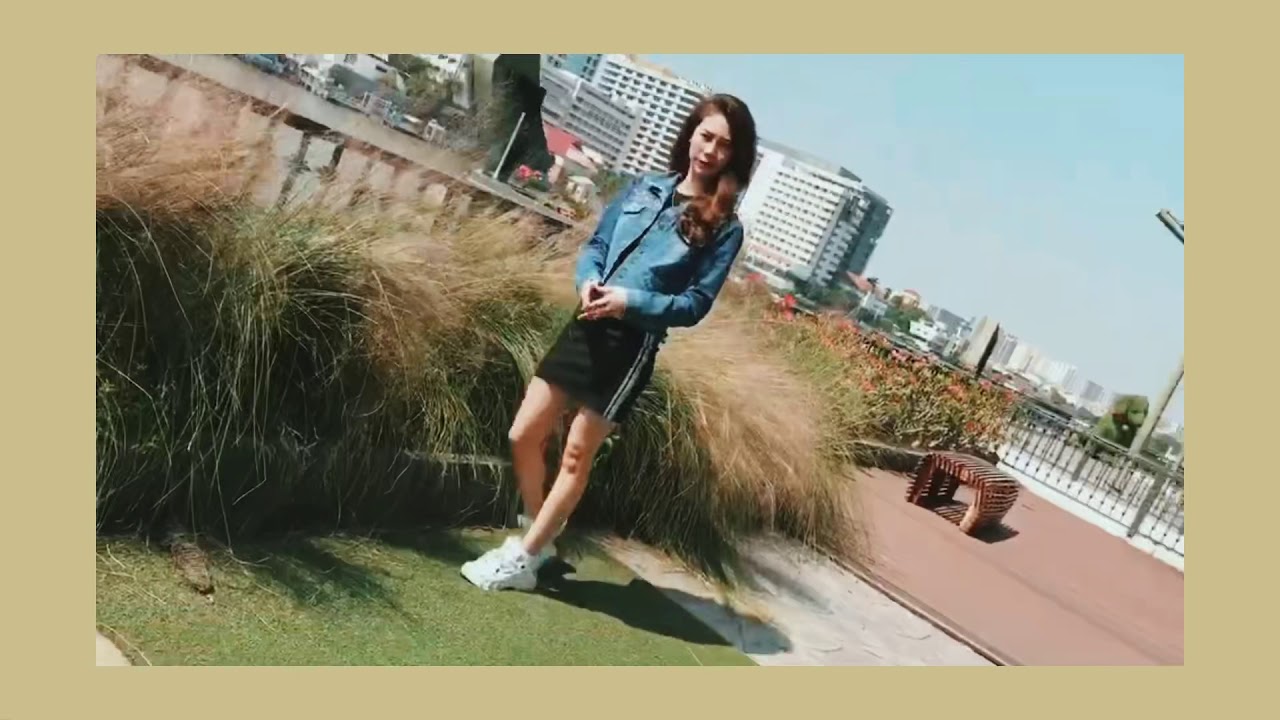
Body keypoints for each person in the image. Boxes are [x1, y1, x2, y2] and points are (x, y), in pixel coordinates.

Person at [461, 93, 759, 591]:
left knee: (576, 454)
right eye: (706, 136)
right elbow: (598, 243)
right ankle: (540, 539)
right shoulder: (645, 187)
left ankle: (523, 559)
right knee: (523, 434)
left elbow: (694, 304)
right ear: (690, 134)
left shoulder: (725, 227)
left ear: (736, 155)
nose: (711, 151)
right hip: (586, 321)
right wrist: (588, 280)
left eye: (724, 145)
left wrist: (628, 301)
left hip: (631, 343)